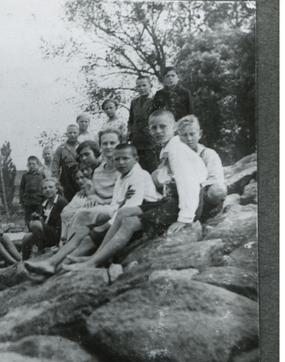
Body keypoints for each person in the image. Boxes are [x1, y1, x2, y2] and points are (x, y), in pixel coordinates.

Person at [48, 110, 207, 272]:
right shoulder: (168, 148)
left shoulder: (176, 150)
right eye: (154, 128)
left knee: (129, 222)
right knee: (125, 212)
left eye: (163, 127)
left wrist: (185, 218)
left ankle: (93, 262)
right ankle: (97, 255)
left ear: (174, 127)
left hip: (184, 205)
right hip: (171, 201)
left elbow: (189, 184)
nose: (158, 131)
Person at [25, 144, 162, 275]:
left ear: (135, 159)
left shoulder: (139, 175)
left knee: (94, 233)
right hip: (120, 216)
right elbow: (116, 205)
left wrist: (104, 226)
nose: (120, 162)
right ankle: (52, 263)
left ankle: (62, 267)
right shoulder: (122, 177)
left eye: (125, 158)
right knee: (82, 231)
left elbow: (130, 208)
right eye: (117, 159)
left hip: (139, 219)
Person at [176, 115, 227, 219]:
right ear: (179, 137)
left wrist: (196, 186)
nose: (189, 139)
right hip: (181, 196)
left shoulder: (208, 154)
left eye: (192, 134)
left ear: (200, 134)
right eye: (184, 135)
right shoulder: (176, 156)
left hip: (202, 195)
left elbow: (216, 178)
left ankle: (209, 213)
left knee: (219, 189)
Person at [21, 178, 68, 260]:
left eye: (50, 187)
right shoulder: (45, 203)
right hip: (48, 233)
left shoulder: (60, 202)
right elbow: (45, 221)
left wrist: (39, 222)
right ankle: (24, 261)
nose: (47, 190)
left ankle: (40, 250)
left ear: (57, 189)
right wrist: (38, 217)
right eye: (45, 188)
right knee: (26, 237)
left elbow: (61, 222)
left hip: (58, 235)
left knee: (34, 224)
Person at [128, 75, 158, 173]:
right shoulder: (134, 102)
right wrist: (130, 133)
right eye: (138, 86)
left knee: (153, 172)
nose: (141, 88)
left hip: (151, 143)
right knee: (138, 172)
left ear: (151, 85)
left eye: (144, 85)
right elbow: (131, 120)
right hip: (136, 143)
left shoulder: (156, 101)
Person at [59, 163, 94, 245]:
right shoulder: (79, 193)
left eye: (82, 177)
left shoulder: (91, 185)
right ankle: (64, 242)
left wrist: (86, 188)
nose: (80, 181)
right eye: (77, 179)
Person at [52, 124, 80, 202]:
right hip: (66, 176)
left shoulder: (81, 146)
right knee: (67, 197)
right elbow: (55, 165)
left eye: (74, 132)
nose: (72, 135)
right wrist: (55, 180)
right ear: (66, 134)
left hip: (79, 174)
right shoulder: (61, 148)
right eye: (70, 133)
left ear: (78, 133)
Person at [19, 156, 45, 228]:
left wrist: (44, 200)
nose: (32, 166)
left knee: (38, 218)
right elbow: (21, 189)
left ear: (37, 165)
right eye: (30, 164)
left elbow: (44, 187)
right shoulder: (25, 176)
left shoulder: (41, 175)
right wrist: (22, 201)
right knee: (28, 219)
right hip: (28, 202)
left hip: (38, 201)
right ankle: (30, 232)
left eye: (33, 164)